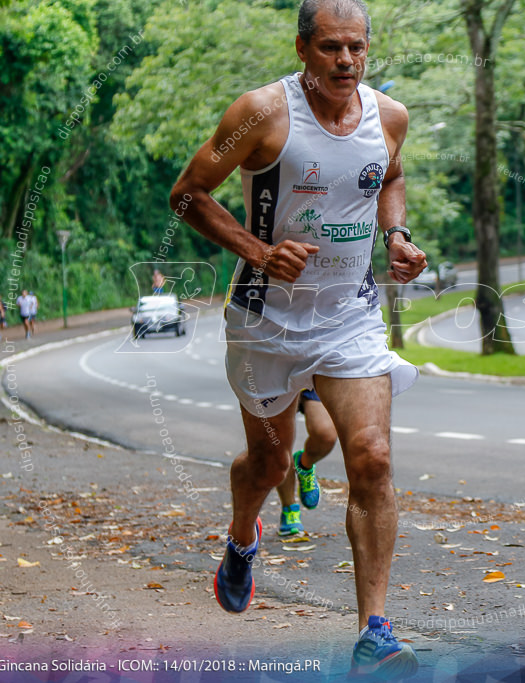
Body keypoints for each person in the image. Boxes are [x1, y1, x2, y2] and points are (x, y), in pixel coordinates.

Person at [170, 0, 426, 676]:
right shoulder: (260, 112)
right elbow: (188, 193)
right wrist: (259, 252)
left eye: (358, 48)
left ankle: (374, 628)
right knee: (270, 464)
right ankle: (242, 535)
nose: (346, 61)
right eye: (331, 48)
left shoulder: (388, 117)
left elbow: (389, 175)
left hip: (349, 317)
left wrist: (395, 235)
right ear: (302, 49)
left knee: (369, 455)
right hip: (265, 321)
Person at [275, 390, 338, 537]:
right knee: (277, 444)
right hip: (279, 377)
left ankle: (304, 466)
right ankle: (289, 509)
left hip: (312, 375)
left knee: (325, 435)